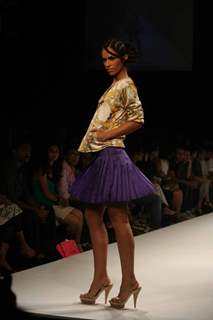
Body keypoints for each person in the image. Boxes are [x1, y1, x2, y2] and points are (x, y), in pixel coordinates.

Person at [70, 38, 155, 309]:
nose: (106, 63)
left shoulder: (126, 85)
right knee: (93, 214)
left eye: (111, 59)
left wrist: (107, 133)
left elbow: (138, 119)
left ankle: (128, 280)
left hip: (112, 154)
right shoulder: (116, 86)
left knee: (118, 216)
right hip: (103, 155)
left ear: (124, 59)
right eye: (104, 59)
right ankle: (101, 278)